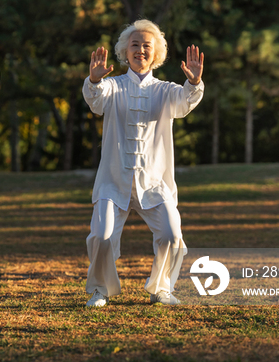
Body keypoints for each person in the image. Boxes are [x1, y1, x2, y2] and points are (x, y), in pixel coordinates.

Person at [82, 19, 204, 307]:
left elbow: (186, 101)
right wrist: (95, 80)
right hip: (114, 180)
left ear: (157, 54)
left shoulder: (165, 90)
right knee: (101, 236)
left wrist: (195, 81)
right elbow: (95, 100)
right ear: (125, 52)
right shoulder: (112, 86)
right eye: (134, 45)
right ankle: (100, 290)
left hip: (153, 182)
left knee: (172, 233)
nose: (140, 50)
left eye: (146, 45)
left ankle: (161, 289)